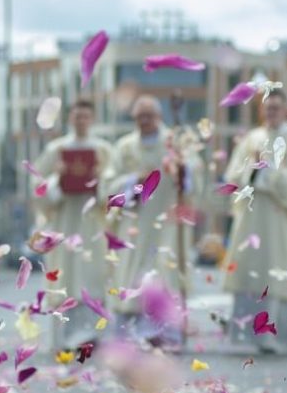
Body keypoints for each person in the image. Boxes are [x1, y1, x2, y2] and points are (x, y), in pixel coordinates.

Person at [222, 89, 287, 354]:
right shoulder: (252, 139)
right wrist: (252, 172)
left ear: (286, 111)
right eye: (268, 108)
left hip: (279, 220)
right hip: (253, 218)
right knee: (254, 269)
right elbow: (233, 175)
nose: (272, 113)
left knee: (277, 270)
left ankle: (280, 334)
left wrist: (269, 174)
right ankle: (250, 332)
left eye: (277, 108)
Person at [107, 95, 202, 348]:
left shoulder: (175, 143)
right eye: (140, 116)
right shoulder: (124, 147)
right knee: (132, 276)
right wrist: (131, 183)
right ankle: (131, 336)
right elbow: (109, 182)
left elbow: (194, 175)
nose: (145, 121)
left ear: (159, 117)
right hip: (134, 225)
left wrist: (184, 170)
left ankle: (165, 335)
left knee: (164, 273)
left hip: (166, 225)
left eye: (149, 116)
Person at [32, 99, 116, 349]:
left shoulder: (103, 150)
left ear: (92, 119)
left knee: (93, 277)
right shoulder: (56, 150)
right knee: (65, 280)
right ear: (70, 119)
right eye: (77, 116)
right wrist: (58, 176)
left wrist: (101, 179)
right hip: (64, 224)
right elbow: (37, 187)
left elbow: (114, 187)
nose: (81, 121)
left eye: (86, 117)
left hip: (93, 225)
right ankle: (64, 342)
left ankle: (93, 340)